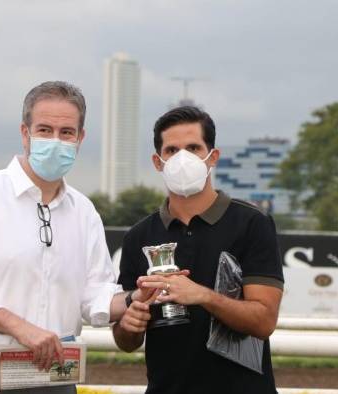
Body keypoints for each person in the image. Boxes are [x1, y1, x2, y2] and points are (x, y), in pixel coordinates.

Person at [0, 81, 129, 394]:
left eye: (66, 133)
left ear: (80, 138)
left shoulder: (84, 212)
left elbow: (94, 295)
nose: (56, 141)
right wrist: (20, 328)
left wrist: (135, 300)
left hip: (55, 378)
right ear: (25, 133)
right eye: (45, 130)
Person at [112, 106, 284, 394]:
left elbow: (264, 320)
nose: (182, 158)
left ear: (212, 157)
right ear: (158, 161)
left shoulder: (252, 223)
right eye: (172, 150)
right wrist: (129, 325)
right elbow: (125, 341)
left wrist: (203, 296)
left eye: (193, 148)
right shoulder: (139, 236)